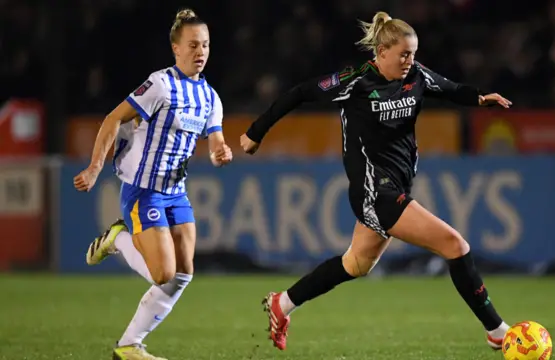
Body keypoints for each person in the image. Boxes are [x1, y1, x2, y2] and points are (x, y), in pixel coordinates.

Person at [240, 11, 513, 352]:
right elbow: (300, 92)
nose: (409, 60)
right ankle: (497, 331)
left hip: (397, 186)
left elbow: (451, 89)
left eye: (412, 53)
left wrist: (479, 97)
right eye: (403, 54)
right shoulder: (355, 81)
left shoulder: (416, 75)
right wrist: (256, 132)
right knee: (455, 245)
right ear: (381, 52)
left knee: (355, 264)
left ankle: (282, 304)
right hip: (374, 192)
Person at [73, 8, 232, 360]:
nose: (200, 52)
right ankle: (118, 238)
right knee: (164, 273)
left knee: (183, 274)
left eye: (205, 45)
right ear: (175, 48)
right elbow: (114, 118)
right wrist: (95, 166)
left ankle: (129, 345)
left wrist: (221, 150)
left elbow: (216, 138)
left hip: (176, 193)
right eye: (192, 45)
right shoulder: (159, 85)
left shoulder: (210, 98)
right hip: (143, 191)